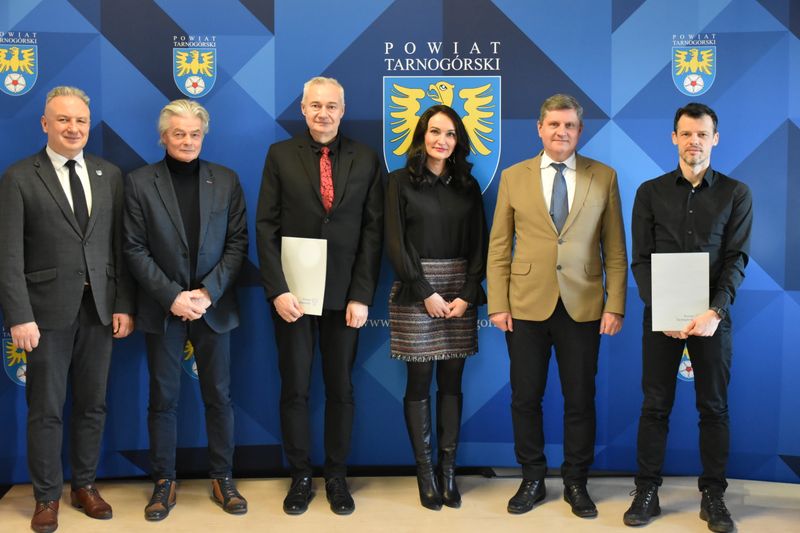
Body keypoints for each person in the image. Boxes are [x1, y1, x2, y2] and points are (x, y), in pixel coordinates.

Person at [0, 86, 135, 533]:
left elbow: (119, 246)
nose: (73, 128)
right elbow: (9, 255)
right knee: (46, 409)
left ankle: (85, 486)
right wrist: (19, 315)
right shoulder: (19, 177)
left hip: (99, 311)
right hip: (43, 316)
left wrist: (122, 303)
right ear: (45, 124)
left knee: (93, 405)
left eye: (80, 120)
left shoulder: (109, 174)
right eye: (63, 120)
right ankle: (46, 497)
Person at [487, 93, 627, 518]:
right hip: (525, 305)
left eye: (569, 125)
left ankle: (576, 482)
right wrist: (497, 303)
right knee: (525, 397)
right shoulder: (513, 177)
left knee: (580, 398)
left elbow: (615, 249)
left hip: (584, 305)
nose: (561, 132)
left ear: (579, 131)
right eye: (554, 124)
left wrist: (615, 304)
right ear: (539, 128)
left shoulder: (604, 177)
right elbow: (499, 246)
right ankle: (531, 477)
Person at [256, 76, 383, 516]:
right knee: (295, 388)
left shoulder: (366, 158)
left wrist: (362, 294)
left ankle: (336, 476)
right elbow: (266, 227)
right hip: (293, 298)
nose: (323, 113)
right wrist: (277, 290)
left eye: (331, 106)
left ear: (342, 110)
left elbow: (373, 232)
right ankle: (300, 477)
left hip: (345, 298)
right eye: (315, 105)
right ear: (303, 109)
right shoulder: (279, 155)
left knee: (341, 389)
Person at [623, 103, 752, 533]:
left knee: (713, 408)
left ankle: (713, 496)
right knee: (654, 406)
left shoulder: (736, 193)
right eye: (686, 133)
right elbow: (640, 260)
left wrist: (716, 311)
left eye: (702, 134)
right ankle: (647, 491)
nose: (693, 141)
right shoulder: (650, 192)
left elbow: (736, 259)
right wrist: (661, 310)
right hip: (661, 319)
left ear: (715, 138)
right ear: (673, 138)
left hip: (713, 318)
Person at [123, 99, 248, 520]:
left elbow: (237, 243)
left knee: (220, 396)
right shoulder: (139, 182)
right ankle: (164, 481)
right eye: (179, 133)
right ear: (163, 137)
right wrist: (173, 296)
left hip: (213, 306)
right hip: (164, 308)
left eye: (195, 133)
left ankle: (223, 477)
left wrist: (208, 293)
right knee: (163, 398)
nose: (188, 141)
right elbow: (133, 248)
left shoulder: (226, 180)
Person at [385, 104, 488, 511]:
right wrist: (424, 290)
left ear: (457, 140)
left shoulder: (468, 185)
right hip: (417, 290)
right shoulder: (398, 182)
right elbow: (395, 242)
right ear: (421, 136)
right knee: (419, 381)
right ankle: (425, 474)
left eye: (449, 133)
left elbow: (480, 242)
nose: (441, 140)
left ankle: (448, 473)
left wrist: (468, 292)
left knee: (451, 382)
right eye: (434, 131)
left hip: (459, 290)